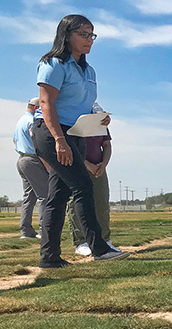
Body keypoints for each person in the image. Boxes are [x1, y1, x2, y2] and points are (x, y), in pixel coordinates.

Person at [32, 14, 129, 268]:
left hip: (75, 132)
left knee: (58, 195)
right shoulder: (54, 63)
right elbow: (46, 103)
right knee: (83, 186)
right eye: (83, 34)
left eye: (92, 35)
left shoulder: (89, 70)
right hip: (52, 132)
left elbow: (81, 105)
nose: (89, 40)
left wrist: (99, 120)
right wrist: (59, 140)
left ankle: (49, 258)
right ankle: (99, 248)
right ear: (67, 35)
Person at [68, 102, 119, 255]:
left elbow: (107, 145)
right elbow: (73, 148)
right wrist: (88, 165)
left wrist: (103, 164)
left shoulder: (102, 126)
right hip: (78, 166)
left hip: (99, 168)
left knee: (102, 203)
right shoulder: (75, 124)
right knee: (76, 204)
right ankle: (81, 242)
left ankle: (104, 239)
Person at [12, 97, 48, 239]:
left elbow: (14, 140)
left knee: (29, 197)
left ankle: (26, 231)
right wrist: (46, 163)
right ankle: (44, 230)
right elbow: (36, 140)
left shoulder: (20, 121)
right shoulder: (32, 121)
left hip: (21, 158)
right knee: (45, 196)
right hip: (33, 160)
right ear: (36, 108)